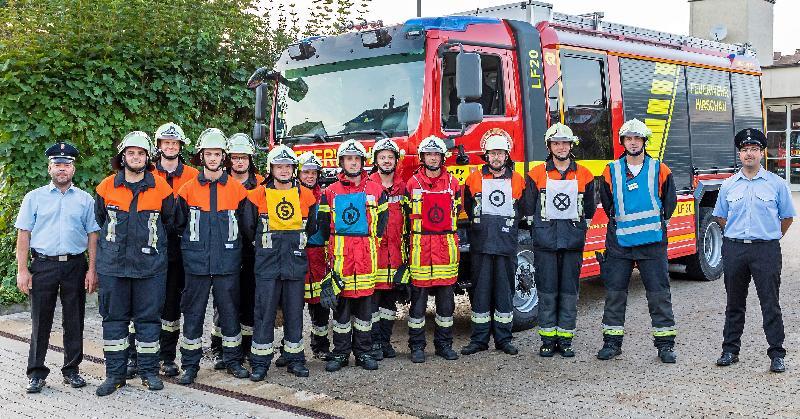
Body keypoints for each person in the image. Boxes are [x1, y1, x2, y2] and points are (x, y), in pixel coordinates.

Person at [15, 142, 100, 393]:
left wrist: (92, 269)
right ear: (50, 168)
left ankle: (71, 370)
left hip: (75, 265)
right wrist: (22, 270)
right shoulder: (34, 198)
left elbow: (93, 236)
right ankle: (36, 373)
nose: (62, 169)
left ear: (73, 169)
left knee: (74, 320)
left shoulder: (85, 200)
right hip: (43, 265)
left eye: (67, 165)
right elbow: (24, 235)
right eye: (58, 165)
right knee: (40, 320)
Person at [94, 132, 175, 396]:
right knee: (114, 321)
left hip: (149, 267)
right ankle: (114, 375)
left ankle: (149, 372)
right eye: (131, 153)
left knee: (149, 321)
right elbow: (100, 219)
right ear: (122, 156)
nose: (136, 157)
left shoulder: (162, 188)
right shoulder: (106, 187)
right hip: (113, 267)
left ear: (148, 157)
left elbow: (171, 223)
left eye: (141, 153)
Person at [713, 128, 795, 373]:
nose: (749, 154)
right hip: (735, 249)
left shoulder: (776, 184)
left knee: (770, 303)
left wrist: (769, 237)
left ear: (762, 153)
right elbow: (720, 217)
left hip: (766, 250)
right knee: (734, 303)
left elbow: (787, 218)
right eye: (745, 150)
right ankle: (730, 350)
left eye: (754, 149)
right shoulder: (728, 185)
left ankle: (777, 354)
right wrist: (738, 235)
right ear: (740, 154)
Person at [596, 119, 678, 364]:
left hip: (652, 244)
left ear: (644, 141)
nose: (633, 142)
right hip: (620, 244)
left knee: (659, 295)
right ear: (623, 142)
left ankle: (665, 346)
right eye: (628, 138)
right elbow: (608, 204)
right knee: (615, 295)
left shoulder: (660, 169)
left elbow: (669, 204)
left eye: (637, 138)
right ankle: (612, 343)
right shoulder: (610, 171)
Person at [174, 128, 250, 385]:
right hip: (196, 264)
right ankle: (190, 365)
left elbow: (245, 226)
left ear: (223, 157)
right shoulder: (186, 190)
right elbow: (179, 225)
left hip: (227, 263)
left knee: (229, 313)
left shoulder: (238, 191)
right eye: (209, 154)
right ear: (201, 156)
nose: (213, 158)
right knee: (193, 314)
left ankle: (232, 361)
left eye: (218, 154)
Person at [241, 145, 318, 380]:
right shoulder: (256, 196)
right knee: (264, 314)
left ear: (294, 169)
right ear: (271, 168)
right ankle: (260, 363)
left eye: (288, 166)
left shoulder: (306, 195)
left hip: (295, 263)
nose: (284, 170)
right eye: (279, 166)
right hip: (267, 265)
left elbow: (312, 227)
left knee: (295, 314)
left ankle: (295, 359)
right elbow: (248, 228)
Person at [523, 124, 595, 357]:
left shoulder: (584, 174)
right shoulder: (536, 174)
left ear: (571, 146)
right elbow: (528, 208)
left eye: (565, 143)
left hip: (572, 242)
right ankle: (547, 340)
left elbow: (590, 210)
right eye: (556, 143)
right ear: (549, 146)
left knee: (569, 292)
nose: (561, 147)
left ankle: (565, 340)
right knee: (547, 291)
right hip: (545, 243)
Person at [317, 139, 388, 372]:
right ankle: (340, 354)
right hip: (341, 262)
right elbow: (324, 225)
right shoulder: (330, 192)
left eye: (357, 159)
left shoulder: (377, 191)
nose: (353, 163)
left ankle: (363, 353)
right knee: (341, 313)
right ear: (342, 163)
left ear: (363, 162)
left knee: (364, 314)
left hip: (366, 261)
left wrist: (370, 245)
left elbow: (382, 225)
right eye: (349, 159)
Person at [134, 122, 198, 379]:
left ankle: (167, 358)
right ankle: (138, 357)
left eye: (174, 143)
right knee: (145, 303)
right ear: (158, 146)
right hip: (149, 246)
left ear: (180, 147)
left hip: (180, 248)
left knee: (171, 304)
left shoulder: (193, 175)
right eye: (165, 142)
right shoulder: (146, 173)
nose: (170, 147)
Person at [461, 132, 526, 357]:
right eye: (492, 153)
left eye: (500, 153)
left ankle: (503, 339)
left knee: (504, 292)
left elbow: (523, 209)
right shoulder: (473, 179)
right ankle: (479, 340)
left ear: (506, 155)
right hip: (481, 244)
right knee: (480, 292)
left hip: (506, 245)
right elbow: (468, 207)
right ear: (485, 156)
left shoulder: (518, 180)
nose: (496, 157)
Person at [207, 133, 264, 369]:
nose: (239, 162)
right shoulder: (220, 181)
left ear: (250, 159)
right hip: (225, 250)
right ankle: (221, 347)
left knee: (250, 298)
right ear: (228, 159)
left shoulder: (262, 183)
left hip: (252, 251)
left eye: (244, 158)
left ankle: (248, 347)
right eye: (235, 158)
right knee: (224, 300)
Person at [405, 136, 461, 363]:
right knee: (417, 306)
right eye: (429, 154)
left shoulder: (452, 183)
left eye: (437, 154)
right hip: (420, 250)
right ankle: (417, 346)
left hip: (445, 250)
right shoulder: (412, 184)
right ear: (422, 158)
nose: (433, 158)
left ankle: (444, 345)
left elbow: (458, 212)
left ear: (442, 158)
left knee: (446, 305)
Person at [368, 138, 409, 361]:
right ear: (376, 161)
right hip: (374, 254)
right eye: (382, 157)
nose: (386, 161)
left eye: (390, 157)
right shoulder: (368, 187)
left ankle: (385, 341)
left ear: (396, 161)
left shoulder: (404, 187)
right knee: (372, 303)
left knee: (389, 304)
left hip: (396, 254)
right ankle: (373, 343)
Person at [297, 151, 333, 360]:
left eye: (314, 172)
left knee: (321, 303)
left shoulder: (325, 195)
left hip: (320, 254)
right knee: (294, 304)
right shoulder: (291, 193)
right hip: (298, 254)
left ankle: (320, 346)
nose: (310, 176)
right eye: (306, 172)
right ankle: (290, 348)